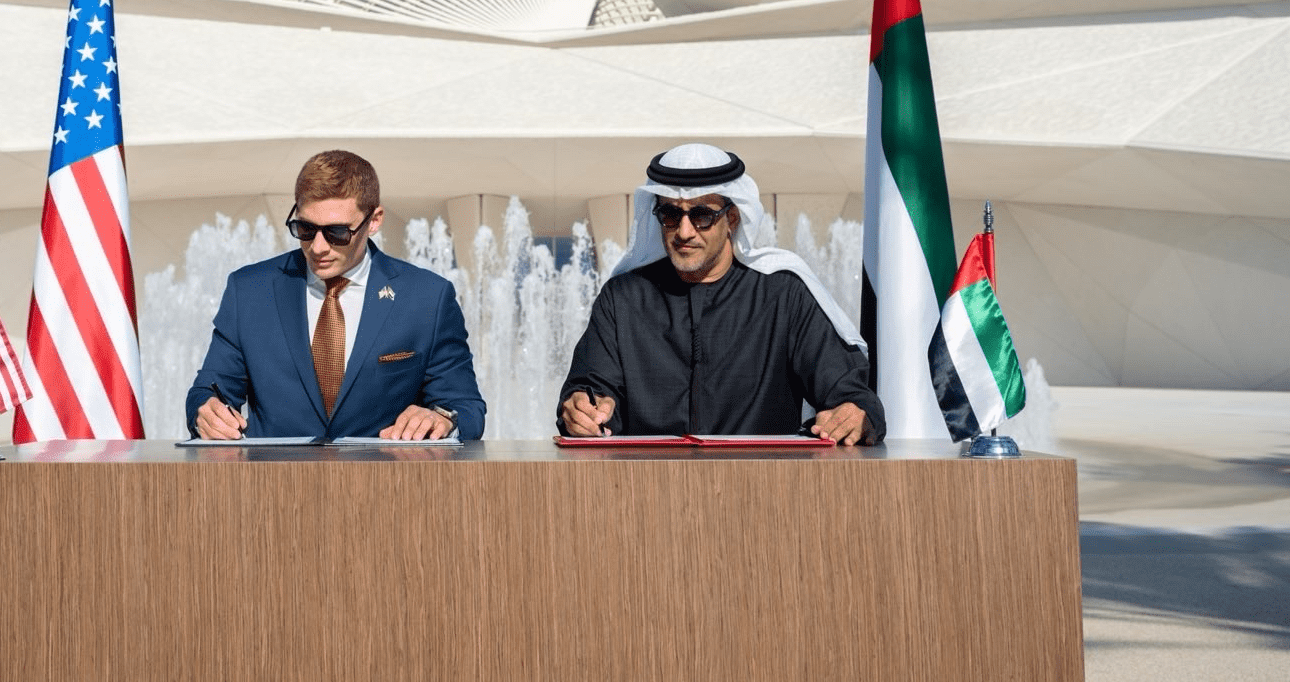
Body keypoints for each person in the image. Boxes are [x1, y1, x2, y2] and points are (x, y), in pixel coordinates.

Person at [558, 143, 884, 445]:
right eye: (671, 214)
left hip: (761, 482)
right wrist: (582, 411)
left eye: (702, 216)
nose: (684, 231)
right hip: (646, 482)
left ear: (732, 218)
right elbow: (593, 390)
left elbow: (847, 393)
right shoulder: (623, 299)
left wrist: (854, 415)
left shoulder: (784, 295)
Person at [187, 150, 486, 441]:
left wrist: (442, 418)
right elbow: (209, 390)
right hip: (276, 474)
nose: (318, 247)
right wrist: (206, 413)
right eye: (305, 228)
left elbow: (465, 406)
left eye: (337, 233)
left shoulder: (428, 298)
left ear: (375, 220)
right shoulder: (248, 291)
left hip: (386, 474)